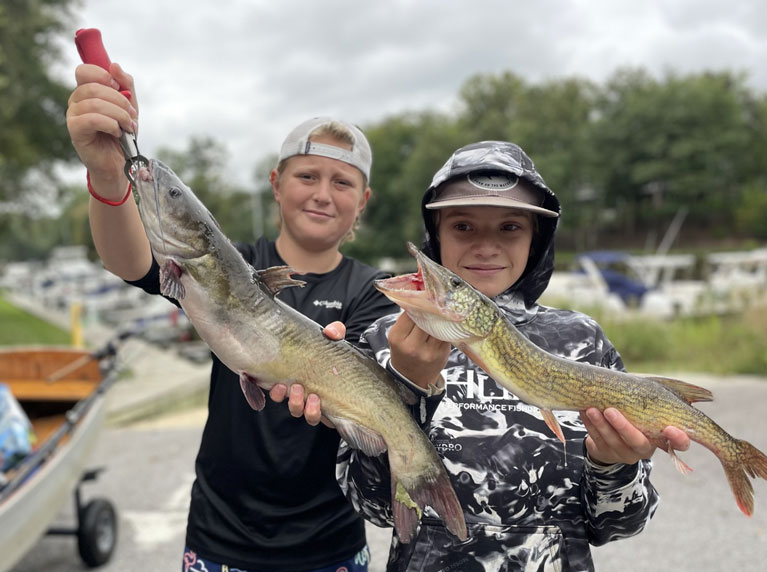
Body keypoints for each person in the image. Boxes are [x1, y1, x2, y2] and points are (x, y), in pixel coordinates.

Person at [66, 62, 396, 571]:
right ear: (276, 183)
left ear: (363, 202)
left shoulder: (374, 292)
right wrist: (109, 175)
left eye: (343, 182)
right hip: (221, 535)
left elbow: (374, 394)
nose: (323, 193)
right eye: (306, 175)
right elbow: (128, 261)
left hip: (329, 543)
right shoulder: (222, 264)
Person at [334, 141, 691, 571]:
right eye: (463, 227)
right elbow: (372, 506)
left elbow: (618, 525)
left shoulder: (584, 341)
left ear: (536, 238)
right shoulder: (384, 340)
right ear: (437, 235)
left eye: (510, 228)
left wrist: (614, 465)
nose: (486, 246)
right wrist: (406, 390)